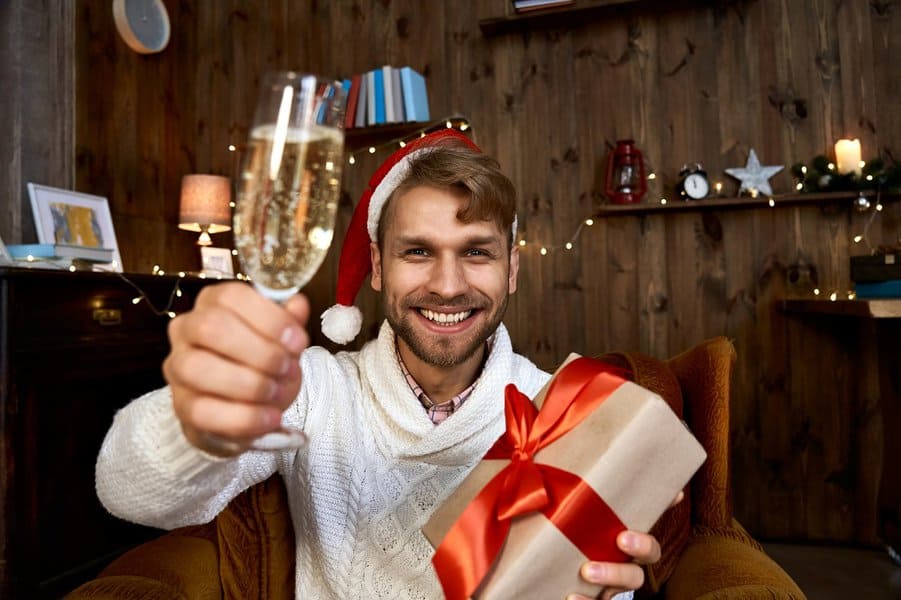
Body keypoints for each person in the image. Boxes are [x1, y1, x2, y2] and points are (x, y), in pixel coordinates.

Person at [96, 129, 664, 600]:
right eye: (418, 251)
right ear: (377, 266)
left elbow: (598, 580)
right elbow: (129, 493)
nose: (447, 285)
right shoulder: (313, 388)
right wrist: (195, 421)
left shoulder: (567, 413)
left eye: (476, 252)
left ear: (511, 269)